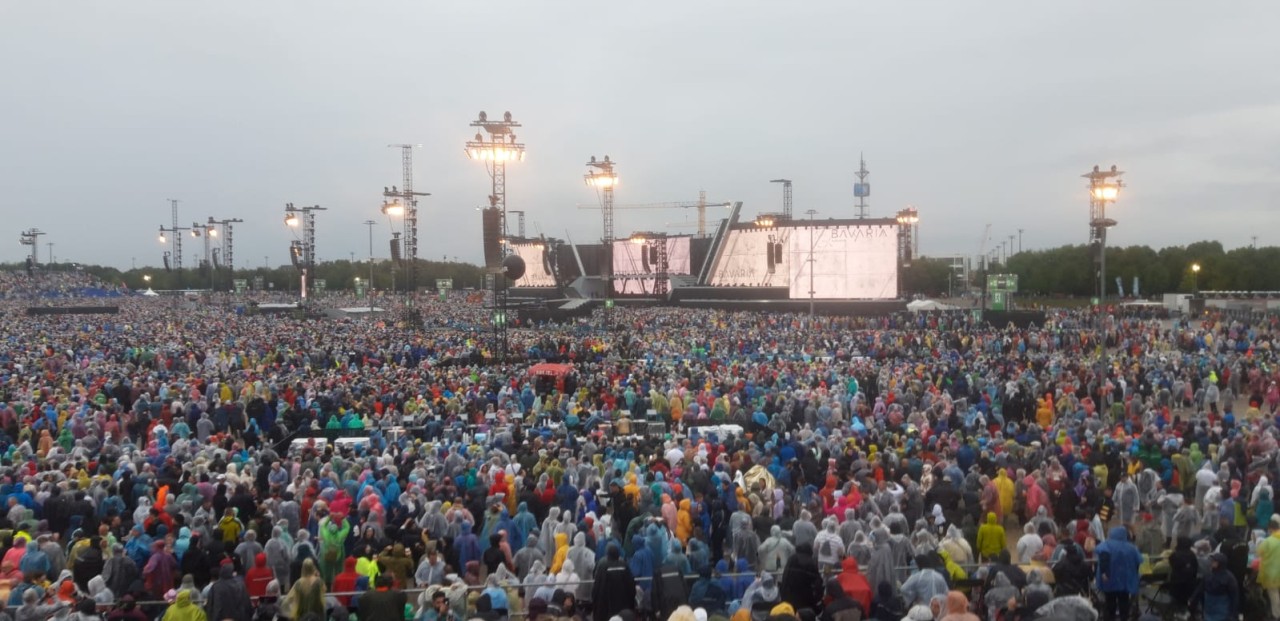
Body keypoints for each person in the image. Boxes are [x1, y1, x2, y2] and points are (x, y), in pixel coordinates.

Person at [1095, 527, 1141, 621]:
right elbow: (1138, 562)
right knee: (1124, 603)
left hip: (1109, 582)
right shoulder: (1131, 548)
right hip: (1125, 582)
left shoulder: (1106, 545)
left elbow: (1103, 557)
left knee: (1109, 604)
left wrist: (1104, 573)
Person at [590, 544, 634, 621]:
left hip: (606, 603)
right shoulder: (623, 564)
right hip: (623, 602)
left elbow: (597, 585)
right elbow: (630, 584)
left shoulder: (602, 565)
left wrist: (594, 598)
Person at [1199, 553, 1239, 621]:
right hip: (1208, 609)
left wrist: (1233, 615)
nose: (1211, 562)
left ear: (1219, 563)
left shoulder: (1229, 578)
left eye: (1214, 561)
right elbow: (1200, 588)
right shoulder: (1209, 574)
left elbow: (1234, 597)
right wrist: (1192, 600)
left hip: (1222, 611)